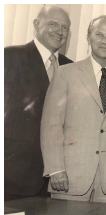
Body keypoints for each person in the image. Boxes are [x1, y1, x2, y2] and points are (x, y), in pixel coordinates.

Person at [40, 15, 106, 203]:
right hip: (68, 176)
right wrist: (55, 168)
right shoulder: (65, 74)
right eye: (99, 35)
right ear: (88, 37)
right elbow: (51, 125)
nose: (104, 41)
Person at [4, 5, 72, 201]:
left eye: (65, 27)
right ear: (36, 24)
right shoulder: (9, 57)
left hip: (56, 182)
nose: (59, 31)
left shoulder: (71, 68)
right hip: (13, 176)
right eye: (52, 24)